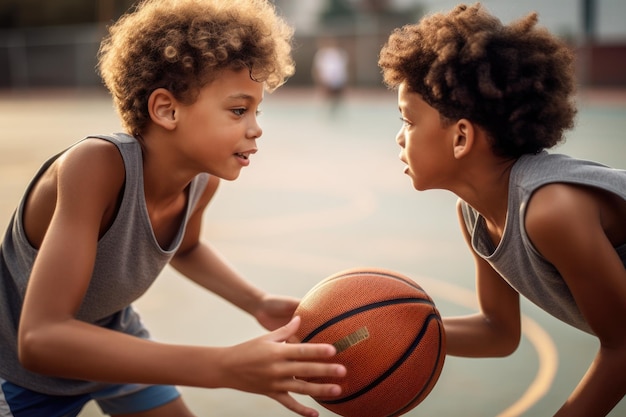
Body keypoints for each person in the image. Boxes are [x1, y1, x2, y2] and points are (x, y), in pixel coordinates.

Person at [0, 1, 347, 416]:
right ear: (167, 109)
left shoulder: (202, 181)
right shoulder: (96, 166)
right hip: (15, 368)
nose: (256, 127)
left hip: (112, 334)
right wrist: (222, 366)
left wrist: (256, 302)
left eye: (256, 111)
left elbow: (187, 247)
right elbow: (41, 338)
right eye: (239, 110)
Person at [378, 3, 626, 416]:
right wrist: (393, 333)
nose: (400, 137)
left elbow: (624, 345)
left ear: (461, 138)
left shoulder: (550, 209)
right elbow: (499, 332)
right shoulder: (474, 213)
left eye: (408, 120)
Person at [311, 37, 349, 117]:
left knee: (338, 99)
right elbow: (318, 69)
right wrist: (320, 80)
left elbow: (343, 68)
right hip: (327, 81)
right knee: (326, 98)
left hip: (338, 81)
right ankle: (324, 114)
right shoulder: (321, 54)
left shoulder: (340, 53)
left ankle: (336, 114)